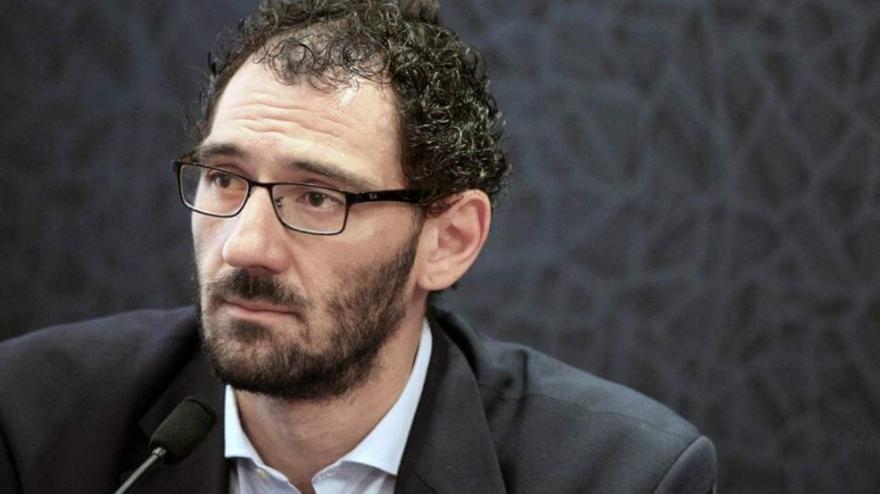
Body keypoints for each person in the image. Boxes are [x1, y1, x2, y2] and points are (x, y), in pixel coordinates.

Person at [0, 1, 717, 492]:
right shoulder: (36, 418)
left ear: (448, 240)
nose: (246, 246)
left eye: (318, 196)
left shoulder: (620, 475)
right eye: (225, 179)